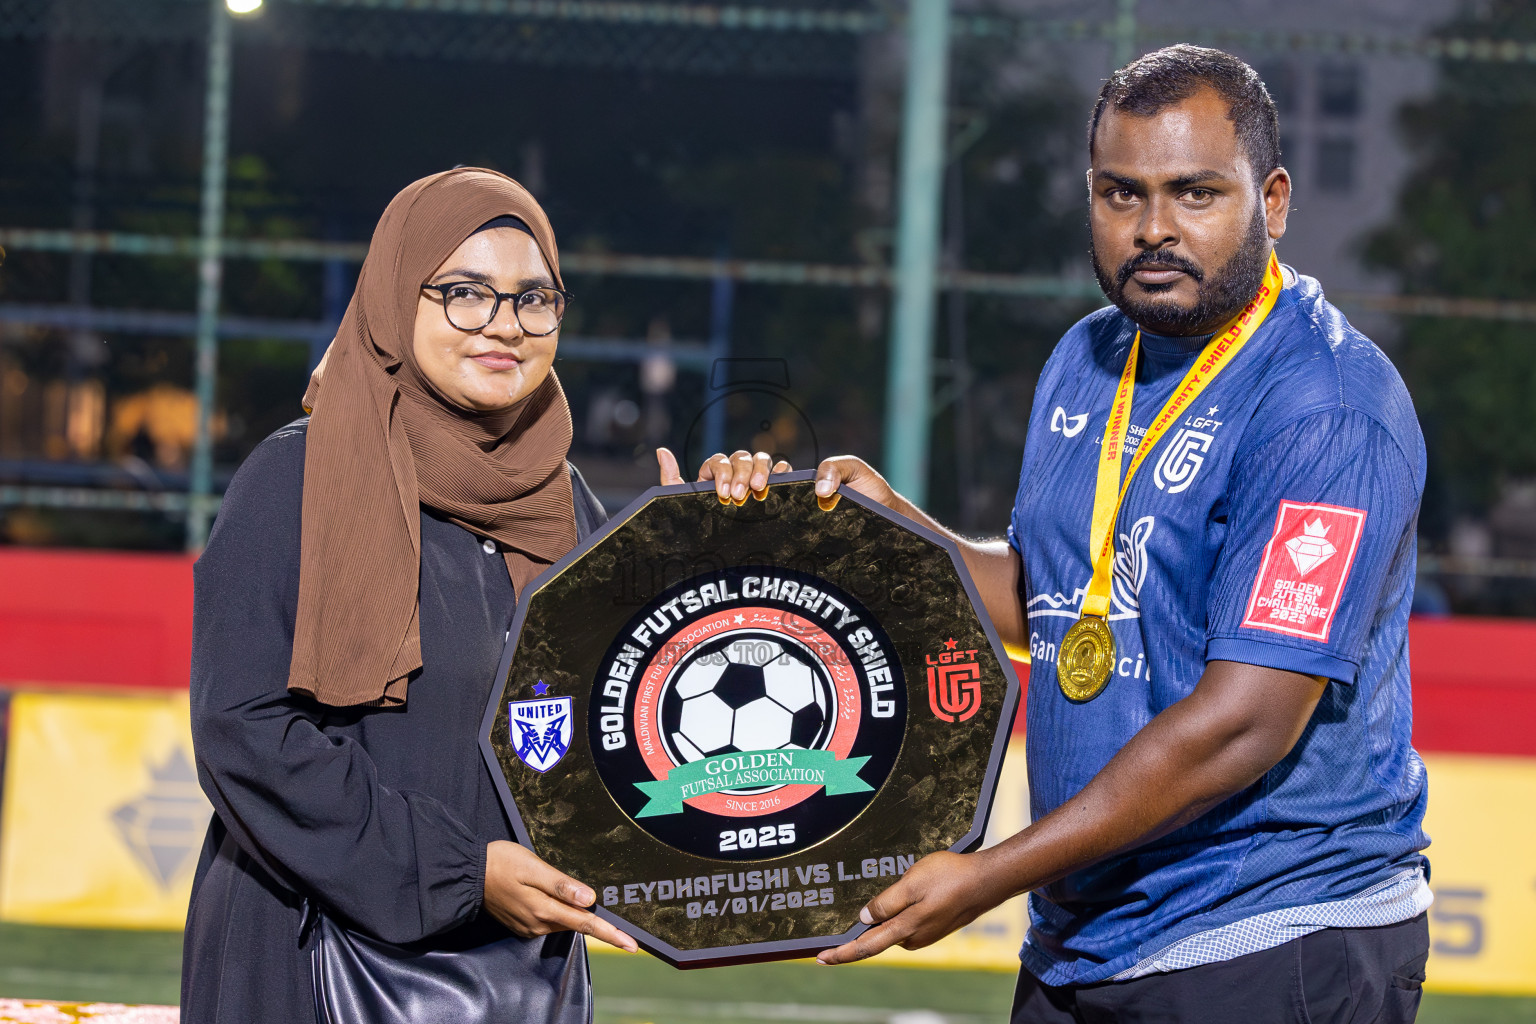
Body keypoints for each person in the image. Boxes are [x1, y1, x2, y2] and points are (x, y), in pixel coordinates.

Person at [674, 46, 1431, 1022]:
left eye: (1195, 193)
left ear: (1273, 202)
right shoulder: (1087, 357)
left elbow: (1246, 722)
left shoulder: (1325, 405)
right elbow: (1056, 600)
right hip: (1088, 934)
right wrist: (881, 535)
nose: (1152, 228)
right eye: (1121, 194)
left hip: (1271, 931)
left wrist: (989, 874)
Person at [183, 168, 637, 1024]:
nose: (505, 324)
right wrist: (462, 873)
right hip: (314, 958)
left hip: (519, 974)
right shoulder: (297, 477)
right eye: (464, 293)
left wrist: (726, 533)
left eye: (534, 299)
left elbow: (630, 716)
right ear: (397, 298)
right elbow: (243, 731)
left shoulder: (565, 505)